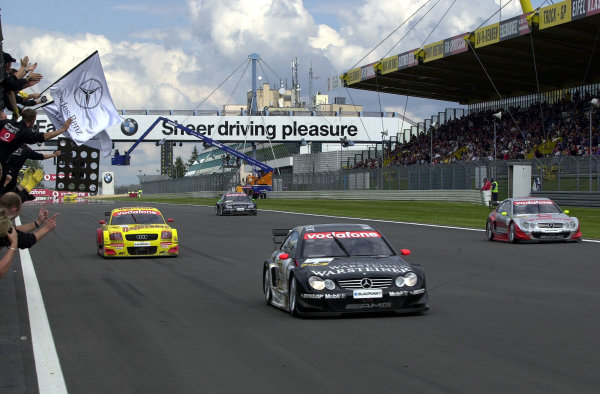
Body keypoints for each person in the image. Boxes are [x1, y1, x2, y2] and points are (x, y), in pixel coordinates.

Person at [0, 108, 72, 182]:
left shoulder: (6, 123)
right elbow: (45, 136)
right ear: (32, 121)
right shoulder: (25, 133)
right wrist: (63, 129)